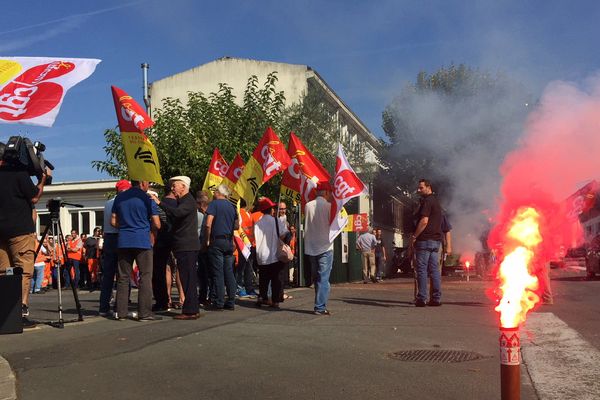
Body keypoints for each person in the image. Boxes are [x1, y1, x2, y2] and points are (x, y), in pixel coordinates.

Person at [0, 155, 50, 327]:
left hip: (1, 233)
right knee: (22, 272)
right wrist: (42, 179)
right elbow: (35, 197)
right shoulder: (17, 173)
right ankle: (20, 312)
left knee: (4, 272)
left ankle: (4, 314)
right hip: (20, 231)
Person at [152, 176, 202, 320]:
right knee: (188, 278)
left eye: (175, 186)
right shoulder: (184, 201)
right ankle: (192, 308)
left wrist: (159, 203)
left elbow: (177, 213)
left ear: (183, 186)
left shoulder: (188, 201)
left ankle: (190, 310)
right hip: (184, 244)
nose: (173, 188)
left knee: (188, 278)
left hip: (186, 244)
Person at [111, 180, 161, 321]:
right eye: (147, 183)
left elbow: (113, 221)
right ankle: (144, 312)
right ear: (142, 183)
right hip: (142, 240)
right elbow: (157, 223)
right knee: (145, 276)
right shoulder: (146, 198)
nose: (148, 186)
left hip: (124, 240)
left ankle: (121, 312)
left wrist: (125, 226)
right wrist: (149, 229)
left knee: (123, 277)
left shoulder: (120, 198)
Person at [99, 179, 131, 317]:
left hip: (109, 238)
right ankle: (121, 306)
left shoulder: (108, 203)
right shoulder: (124, 202)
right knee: (124, 273)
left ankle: (103, 306)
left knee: (108, 274)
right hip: (120, 236)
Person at [205, 184, 239, 311]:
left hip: (217, 241)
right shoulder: (232, 206)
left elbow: (208, 223)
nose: (213, 193)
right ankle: (231, 301)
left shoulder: (214, 204)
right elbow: (236, 226)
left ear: (219, 193)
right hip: (228, 242)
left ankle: (219, 302)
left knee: (218, 272)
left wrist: (207, 239)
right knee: (229, 272)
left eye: (215, 191)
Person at [411, 179, 443, 307]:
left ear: (428, 187)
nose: (419, 190)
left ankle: (422, 298)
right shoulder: (436, 202)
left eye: (421, 188)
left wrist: (414, 236)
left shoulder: (428, 201)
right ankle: (436, 298)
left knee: (422, 270)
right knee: (434, 270)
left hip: (424, 241)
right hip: (435, 241)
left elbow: (424, 221)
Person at [304, 181, 334, 316]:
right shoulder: (329, 207)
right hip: (325, 246)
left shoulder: (307, 206)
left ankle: (319, 304)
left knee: (317, 277)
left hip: (311, 246)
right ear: (327, 192)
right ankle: (320, 306)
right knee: (323, 278)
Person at [254, 197, 288, 308]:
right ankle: (275, 301)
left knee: (263, 278)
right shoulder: (276, 221)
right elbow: (283, 235)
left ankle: (262, 297)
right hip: (274, 254)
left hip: (261, 255)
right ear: (271, 209)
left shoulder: (257, 223)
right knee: (275, 279)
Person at [236, 198, 257, 298]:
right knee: (241, 267)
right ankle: (239, 288)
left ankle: (249, 288)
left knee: (249, 267)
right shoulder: (239, 213)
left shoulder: (249, 214)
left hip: (250, 244)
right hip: (243, 245)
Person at [196, 191, 212, 306]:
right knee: (207, 274)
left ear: (201, 204)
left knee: (204, 274)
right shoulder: (206, 215)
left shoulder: (205, 215)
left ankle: (204, 296)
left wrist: (204, 245)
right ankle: (208, 296)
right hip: (205, 246)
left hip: (203, 247)